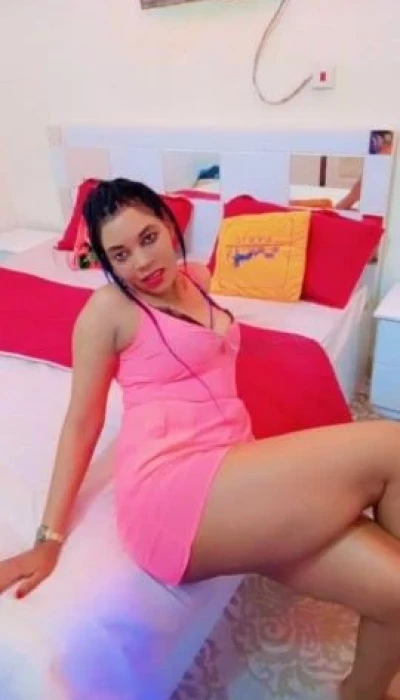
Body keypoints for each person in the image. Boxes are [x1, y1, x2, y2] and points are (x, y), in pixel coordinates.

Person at [1, 178, 400, 700]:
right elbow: (82, 422)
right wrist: (48, 539)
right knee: (391, 444)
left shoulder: (198, 277)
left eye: (148, 238)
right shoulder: (108, 310)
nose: (142, 263)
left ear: (170, 226)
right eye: (120, 255)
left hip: (232, 469)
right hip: (171, 492)